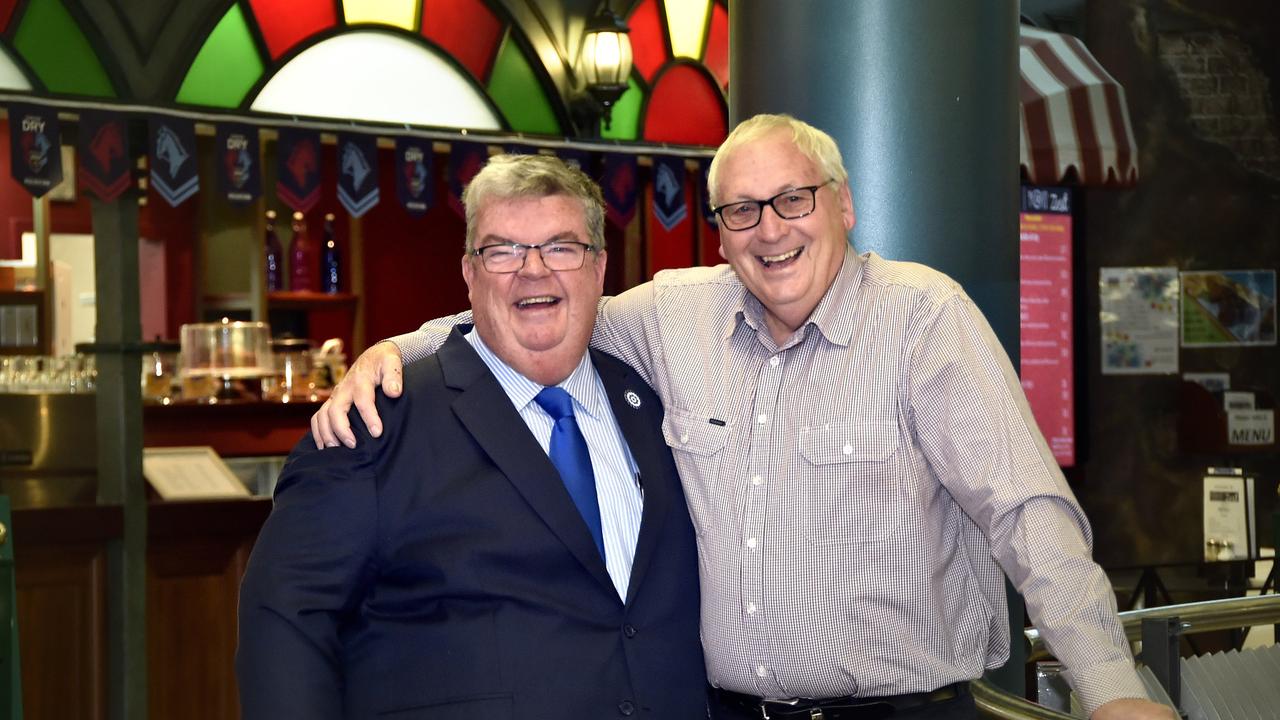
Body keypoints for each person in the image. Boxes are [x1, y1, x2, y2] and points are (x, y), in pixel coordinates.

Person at [312, 115, 1175, 720]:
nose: (771, 231)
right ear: (720, 233)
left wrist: (1112, 686)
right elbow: (538, 307)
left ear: (843, 206)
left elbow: (1027, 514)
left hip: (905, 714)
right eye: (741, 211)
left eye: (793, 200)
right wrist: (392, 349)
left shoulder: (925, 320)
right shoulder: (674, 315)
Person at [237, 154, 707, 719]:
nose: (533, 271)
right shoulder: (377, 423)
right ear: (469, 272)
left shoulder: (654, 406)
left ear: (599, 268)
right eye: (503, 250)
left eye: (561, 246)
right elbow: (285, 620)